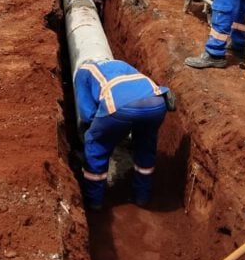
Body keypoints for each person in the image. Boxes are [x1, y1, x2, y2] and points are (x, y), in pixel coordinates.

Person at [75, 59, 174, 210]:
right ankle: (142, 196)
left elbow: (87, 114)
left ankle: (94, 200)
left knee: (96, 143)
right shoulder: (118, 63)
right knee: (145, 144)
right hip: (157, 102)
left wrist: (103, 131)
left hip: (120, 106)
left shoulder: (83, 71)